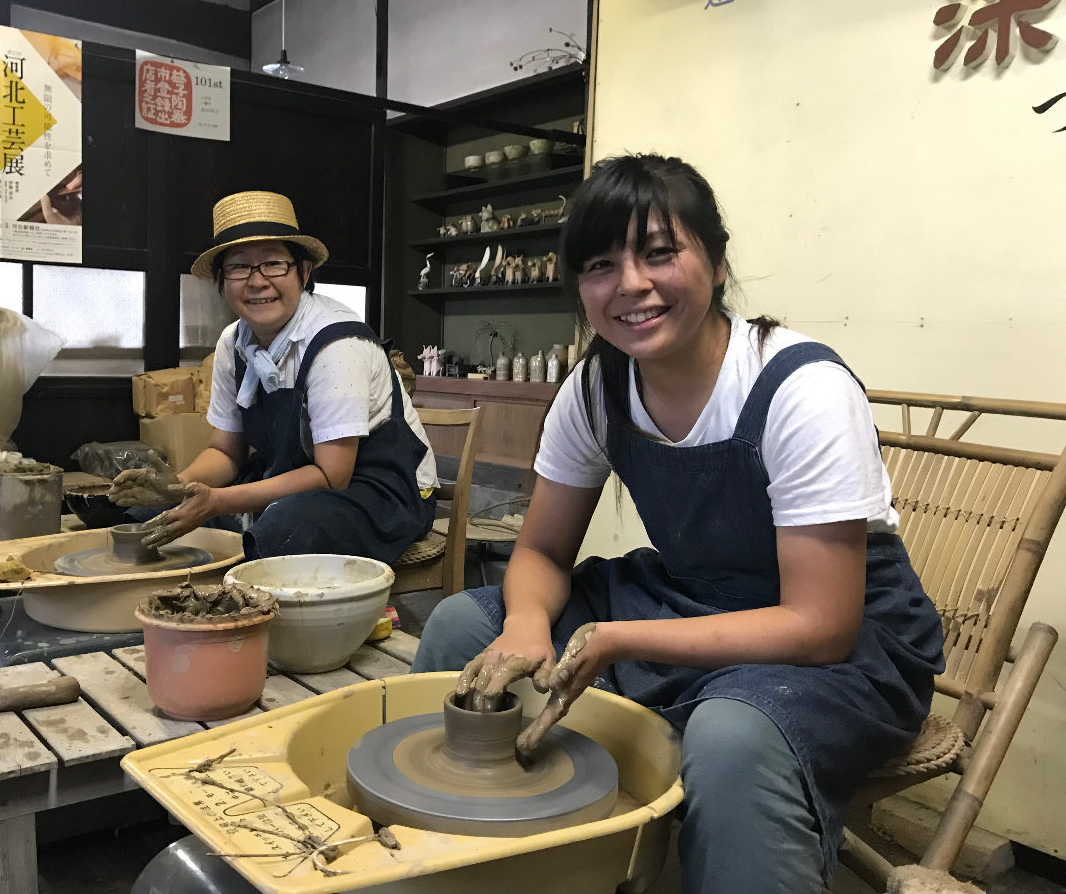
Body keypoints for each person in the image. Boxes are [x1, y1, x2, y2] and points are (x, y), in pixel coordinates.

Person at [412, 155, 944, 893]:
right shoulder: (596, 388)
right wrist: (528, 622)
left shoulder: (801, 390)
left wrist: (621, 638)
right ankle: (475, 864)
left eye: (660, 253)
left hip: (844, 640)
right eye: (601, 264)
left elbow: (821, 623)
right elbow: (540, 548)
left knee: (731, 735)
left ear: (717, 263)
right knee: (462, 630)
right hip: (690, 596)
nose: (631, 284)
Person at [109, 190, 437, 564]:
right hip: (293, 479)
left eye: (274, 264)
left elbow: (333, 477)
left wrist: (218, 501)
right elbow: (225, 452)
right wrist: (177, 486)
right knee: (151, 519)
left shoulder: (336, 344)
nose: (257, 281)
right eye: (238, 266)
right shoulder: (233, 342)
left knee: (286, 527)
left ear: (304, 272)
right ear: (221, 281)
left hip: (380, 491)